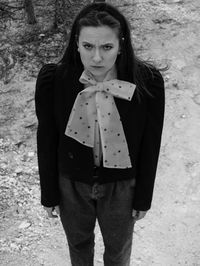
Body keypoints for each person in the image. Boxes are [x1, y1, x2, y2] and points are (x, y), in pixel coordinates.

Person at [35, 2, 165, 265]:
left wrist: (144, 196)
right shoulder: (55, 80)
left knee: (118, 253)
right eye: (88, 46)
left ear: (121, 45)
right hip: (71, 184)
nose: (96, 58)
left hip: (121, 187)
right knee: (79, 248)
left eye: (107, 47)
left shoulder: (147, 82)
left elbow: (151, 143)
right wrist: (49, 192)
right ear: (76, 44)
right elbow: (47, 139)